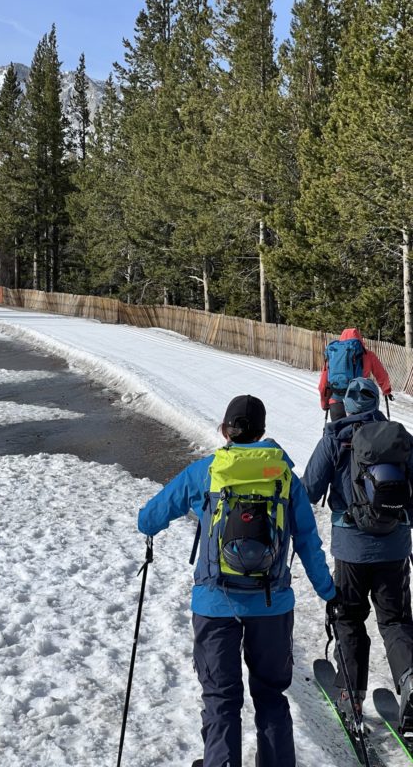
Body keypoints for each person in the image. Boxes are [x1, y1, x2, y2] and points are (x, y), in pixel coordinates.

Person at [137, 395, 336, 767]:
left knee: (220, 699)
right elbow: (308, 542)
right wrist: (328, 590)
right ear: (262, 431)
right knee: (271, 697)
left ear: (226, 429)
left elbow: (149, 517)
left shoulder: (206, 471)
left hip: (214, 604)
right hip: (272, 605)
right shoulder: (284, 476)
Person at [303, 377, 413, 727]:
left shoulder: (335, 437)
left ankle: (351, 695)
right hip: (394, 547)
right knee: (395, 620)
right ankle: (412, 680)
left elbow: (309, 489)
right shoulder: (399, 438)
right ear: (376, 404)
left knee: (349, 617)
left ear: (347, 406)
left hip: (351, 548)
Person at [319, 327, 392, 421]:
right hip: (361, 404)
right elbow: (382, 375)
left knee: (339, 434)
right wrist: (386, 390)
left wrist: (325, 403)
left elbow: (323, 385)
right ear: (359, 338)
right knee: (361, 434)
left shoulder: (334, 355)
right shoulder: (368, 355)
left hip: (337, 402)